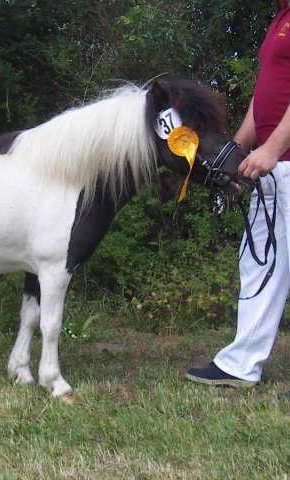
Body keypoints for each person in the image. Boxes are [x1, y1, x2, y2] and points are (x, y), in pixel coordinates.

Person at [186, 0, 290, 388]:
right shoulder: (281, 16)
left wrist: (273, 147)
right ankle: (240, 364)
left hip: (285, 160)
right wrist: (239, 147)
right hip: (275, 168)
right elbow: (265, 94)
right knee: (259, 264)